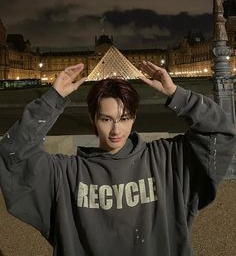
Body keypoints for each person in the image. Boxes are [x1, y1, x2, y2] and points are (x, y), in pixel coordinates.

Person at [0, 61, 236, 256]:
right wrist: (52, 99)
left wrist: (178, 95)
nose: (116, 130)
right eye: (106, 119)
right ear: (92, 118)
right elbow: (14, 152)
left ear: (134, 117)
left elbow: (221, 132)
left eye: (124, 118)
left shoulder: (166, 159)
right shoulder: (66, 174)